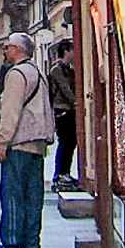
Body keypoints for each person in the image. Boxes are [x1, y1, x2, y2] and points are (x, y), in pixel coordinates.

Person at [0, 32, 56, 248]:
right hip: (37, 142)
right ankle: (32, 246)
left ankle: (12, 246)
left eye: (7, 46)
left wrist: (2, 142)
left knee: (13, 196)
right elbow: (47, 107)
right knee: (33, 197)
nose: (4, 50)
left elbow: (10, 111)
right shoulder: (38, 72)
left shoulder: (16, 74)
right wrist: (48, 135)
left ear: (18, 49)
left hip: (19, 142)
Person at [49, 38, 78, 191]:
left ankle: (65, 172)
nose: (74, 53)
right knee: (65, 142)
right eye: (72, 50)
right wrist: (76, 102)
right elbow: (65, 88)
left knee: (70, 142)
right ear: (66, 51)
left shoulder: (69, 69)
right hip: (62, 110)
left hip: (69, 109)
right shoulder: (57, 70)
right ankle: (59, 174)